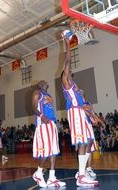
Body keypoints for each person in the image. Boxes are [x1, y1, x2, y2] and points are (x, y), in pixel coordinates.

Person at [61, 33, 99, 187]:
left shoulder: (75, 87)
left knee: (88, 141)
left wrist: (92, 116)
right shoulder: (66, 82)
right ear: (65, 74)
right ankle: (81, 175)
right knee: (82, 142)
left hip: (81, 113)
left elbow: (84, 101)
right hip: (75, 113)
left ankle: (82, 171)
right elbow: (68, 60)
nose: (71, 72)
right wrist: (67, 42)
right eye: (69, 72)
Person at [32, 80, 66, 188]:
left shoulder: (49, 95)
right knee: (46, 150)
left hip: (52, 123)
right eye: (44, 82)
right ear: (40, 85)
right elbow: (33, 108)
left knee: (54, 151)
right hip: (42, 123)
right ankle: (38, 173)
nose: (47, 82)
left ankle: (52, 178)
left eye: (47, 81)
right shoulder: (37, 93)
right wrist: (42, 116)